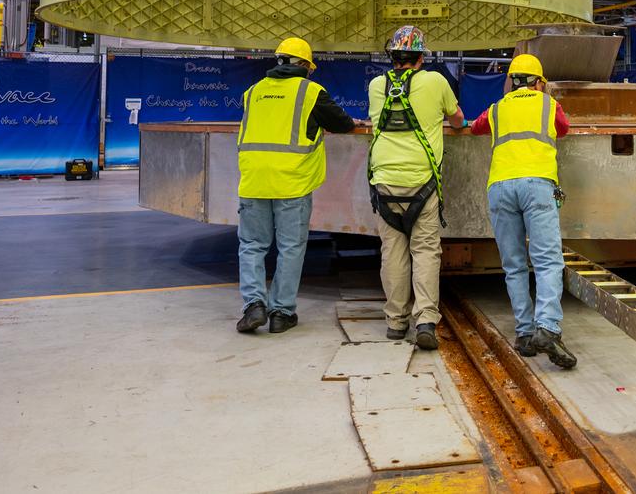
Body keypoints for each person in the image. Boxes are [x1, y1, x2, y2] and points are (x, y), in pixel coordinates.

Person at [236, 38, 359, 334]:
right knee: (290, 248)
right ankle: (281, 312)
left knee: (252, 245)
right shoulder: (310, 92)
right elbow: (343, 123)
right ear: (304, 65)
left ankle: (254, 305)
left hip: (253, 180)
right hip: (292, 182)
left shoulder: (252, 92)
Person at [469, 54, 577, 367]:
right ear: (539, 81)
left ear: (512, 80)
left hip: (501, 187)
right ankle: (548, 327)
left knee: (514, 264)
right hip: (538, 186)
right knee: (546, 261)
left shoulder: (497, 109)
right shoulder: (548, 105)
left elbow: (476, 128)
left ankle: (525, 333)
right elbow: (564, 128)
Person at [368, 25, 463, 351]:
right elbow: (457, 120)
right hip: (422, 183)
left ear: (392, 56)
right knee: (424, 252)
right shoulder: (436, 81)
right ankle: (425, 320)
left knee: (392, 252)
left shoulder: (376, 85)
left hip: (384, 183)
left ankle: (396, 322)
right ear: (422, 57)